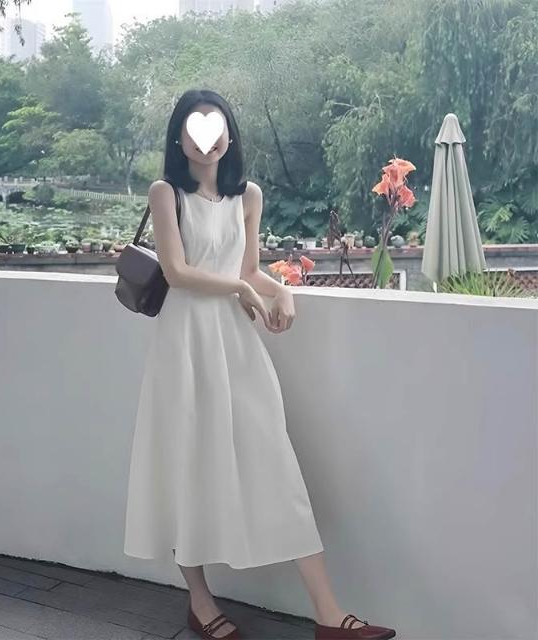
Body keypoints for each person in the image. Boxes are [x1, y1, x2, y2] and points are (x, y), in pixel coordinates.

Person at [123, 89, 396, 640]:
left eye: (215, 127)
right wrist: (243, 291)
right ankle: (200, 602)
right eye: (194, 128)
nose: (206, 139)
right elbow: (176, 272)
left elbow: (248, 268)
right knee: (185, 465)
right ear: (179, 138)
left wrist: (281, 291)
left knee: (275, 461)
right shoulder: (165, 193)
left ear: (229, 135)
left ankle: (328, 614)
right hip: (185, 341)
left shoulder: (248, 195)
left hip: (235, 343)